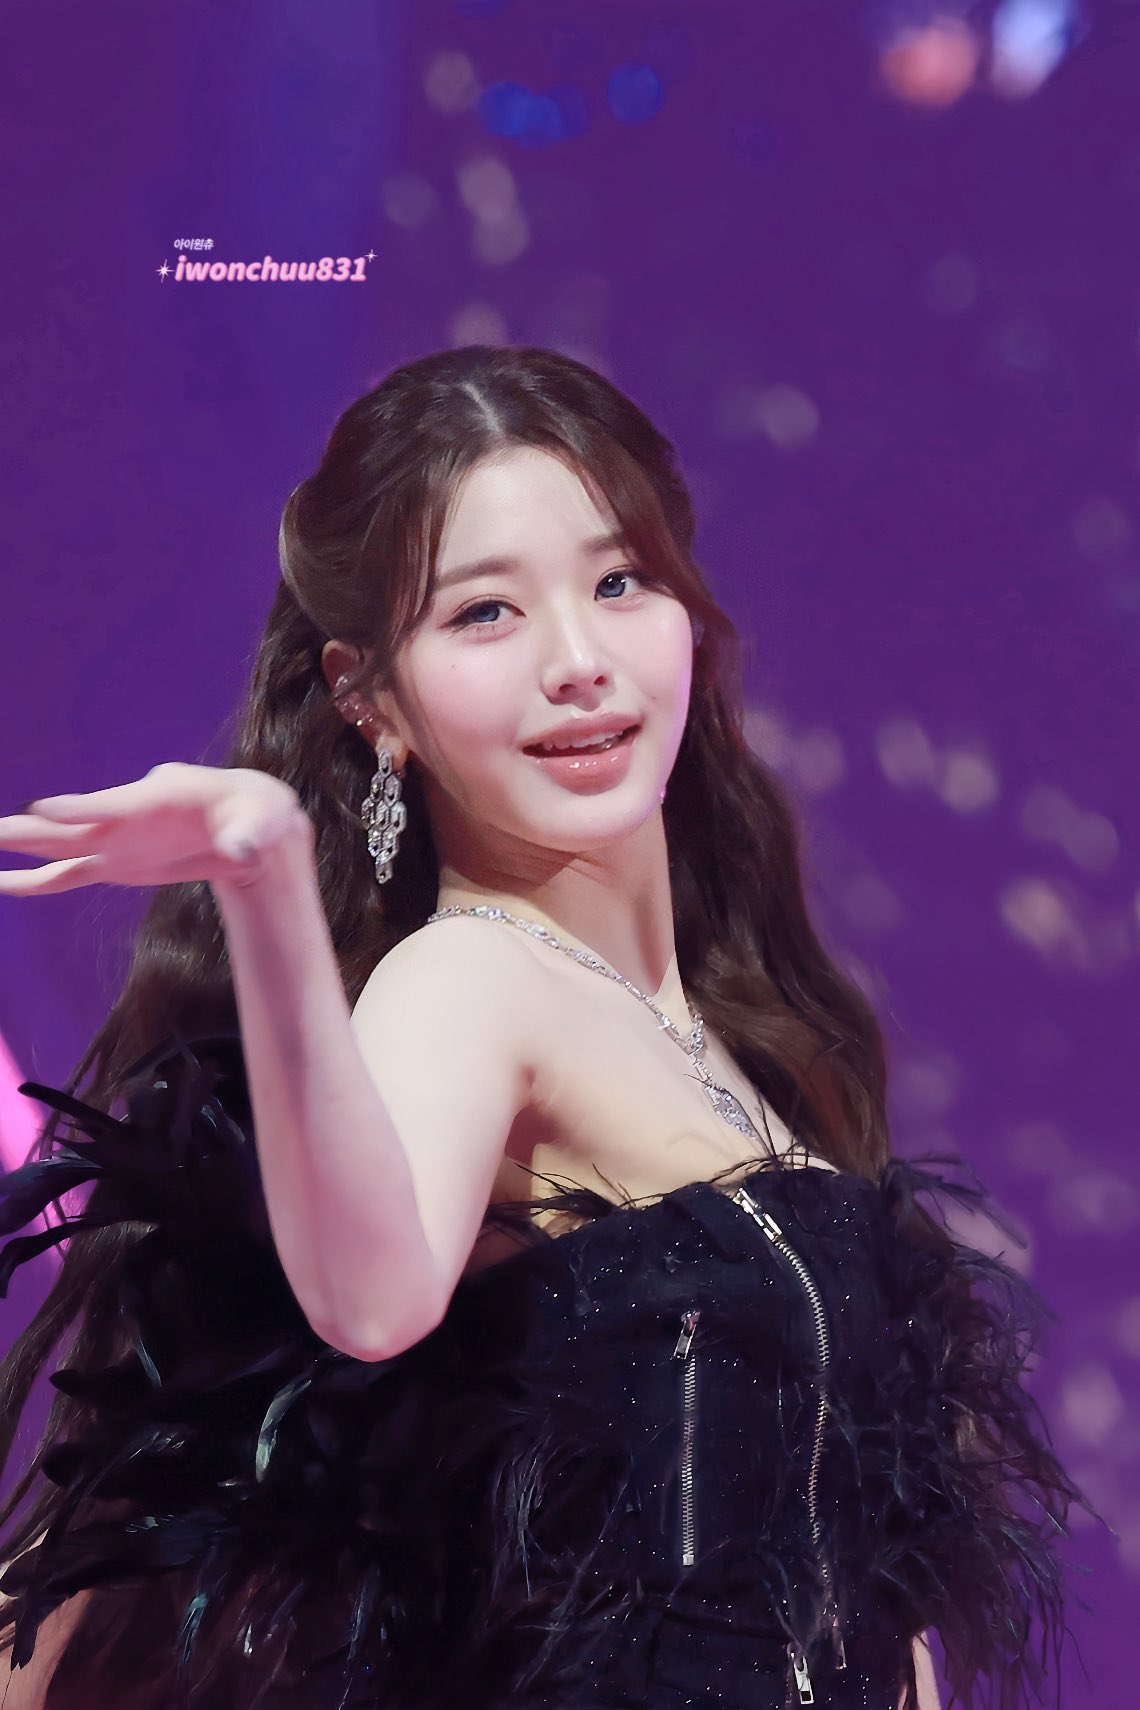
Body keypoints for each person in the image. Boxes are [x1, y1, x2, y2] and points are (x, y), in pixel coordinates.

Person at [0, 346, 1085, 1710]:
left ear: (689, 615)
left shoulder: (744, 1039)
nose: (579, 662)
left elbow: (855, 1577)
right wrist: (266, 877)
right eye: (486, 613)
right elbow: (371, 1299)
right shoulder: (470, 978)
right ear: (369, 698)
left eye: (619, 582)